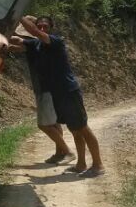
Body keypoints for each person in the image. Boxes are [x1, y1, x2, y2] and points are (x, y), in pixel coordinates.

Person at [7, 15, 105, 177]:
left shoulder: (55, 41)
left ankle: (98, 165)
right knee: (75, 130)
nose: (42, 28)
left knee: (83, 128)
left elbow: (33, 31)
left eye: (45, 26)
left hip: (68, 91)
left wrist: (18, 14)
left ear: (50, 28)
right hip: (59, 94)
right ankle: (81, 164)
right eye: (40, 26)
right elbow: (18, 41)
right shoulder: (37, 44)